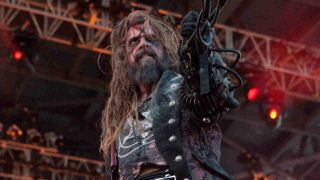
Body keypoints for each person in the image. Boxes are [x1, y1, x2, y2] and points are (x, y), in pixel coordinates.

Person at [100, 9, 239, 180]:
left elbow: (212, 96)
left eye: (151, 39)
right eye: (134, 41)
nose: (143, 44)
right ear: (125, 56)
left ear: (164, 48)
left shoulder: (182, 87)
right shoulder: (116, 115)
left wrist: (201, 52)